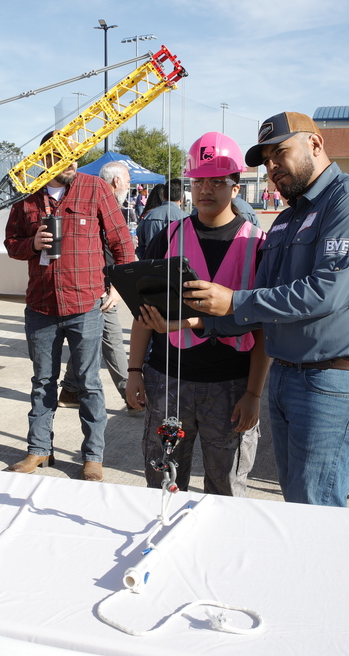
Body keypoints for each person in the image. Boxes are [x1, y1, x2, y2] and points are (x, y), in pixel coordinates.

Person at [167, 112, 349, 507]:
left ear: (315, 144)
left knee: (315, 507)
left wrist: (233, 301)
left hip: (337, 383)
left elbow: (326, 293)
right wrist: (205, 321)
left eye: (281, 153)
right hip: (289, 379)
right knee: (298, 504)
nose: (273, 167)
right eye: (267, 160)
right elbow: (268, 300)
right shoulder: (290, 218)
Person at [128, 132, 268, 496]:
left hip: (230, 386)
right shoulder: (170, 236)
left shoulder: (257, 244)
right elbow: (143, 311)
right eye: (199, 181)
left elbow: (266, 325)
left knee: (227, 486)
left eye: (217, 182)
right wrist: (133, 371)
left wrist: (254, 392)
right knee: (162, 483)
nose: (206, 190)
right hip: (168, 382)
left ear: (236, 187)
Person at [4, 131, 135, 481]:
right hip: (42, 307)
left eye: (75, 155)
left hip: (85, 305)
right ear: (45, 158)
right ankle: (38, 450)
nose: (72, 162)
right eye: (63, 156)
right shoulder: (26, 197)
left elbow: (121, 240)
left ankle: (92, 457)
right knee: (42, 382)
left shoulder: (95, 188)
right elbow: (11, 244)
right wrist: (31, 243)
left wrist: (120, 287)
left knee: (90, 383)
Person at [59, 161, 133, 414]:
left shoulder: (95, 201)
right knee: (112, 343)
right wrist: (114, 286)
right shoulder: (98, 203)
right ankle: (131, 397)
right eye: (128, 181)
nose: (130, 186)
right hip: (99, 288)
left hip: (101, 287)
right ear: (115, 182)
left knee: (88, 342)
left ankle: (69, 390)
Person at [136, 178, 185, 259]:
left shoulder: (148, 216)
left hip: (151, 265)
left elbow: (139, 245)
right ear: (182, 197)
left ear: (163, 194)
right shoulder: (187, 219)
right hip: (177, 267)